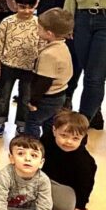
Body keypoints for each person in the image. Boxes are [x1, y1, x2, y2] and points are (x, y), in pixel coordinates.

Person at [0, 0, 40, 138]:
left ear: (36, 4)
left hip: (29, 67)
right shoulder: (7, 22)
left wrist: (39, 68)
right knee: (4, 96)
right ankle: (0, 120)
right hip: (8, 65)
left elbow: (42, 46)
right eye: (22, 7)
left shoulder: (39, 23)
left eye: (30, 7)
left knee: (25, 97)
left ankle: (22, 124)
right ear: (15, 4)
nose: (26, 10)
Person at [25, 8, 74, 138]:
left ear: (49, 33)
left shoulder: (49, 54)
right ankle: (48, 143)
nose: (37, 30)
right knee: (49, 123)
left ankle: (31, 146)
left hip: (47, 97)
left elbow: (43, 81)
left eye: (39, 28)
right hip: (60, 95)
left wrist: (33, 101)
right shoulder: (63, 47)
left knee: (32, 121)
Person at [41, 111, 97, 210]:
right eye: (63, 135)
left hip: (63, 185)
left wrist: (81, 205)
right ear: (54, 131)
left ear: (83, 137)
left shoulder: (84, 161)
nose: (68, 141)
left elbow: (86, 183)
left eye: (75, 138)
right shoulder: (46, 140)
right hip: (41, 176)